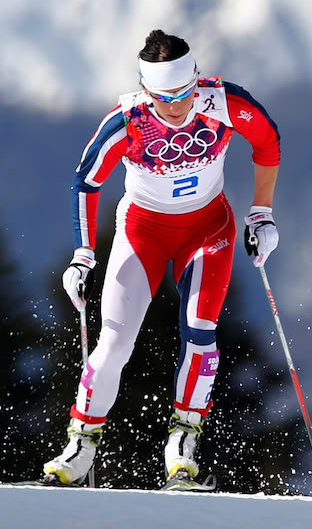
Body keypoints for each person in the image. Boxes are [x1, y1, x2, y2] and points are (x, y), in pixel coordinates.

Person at [41, 30, 281, 488]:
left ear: (197, 80)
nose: (176, 106)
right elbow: (86, 182)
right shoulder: (127, 120)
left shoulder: (226, 103)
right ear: (145, 90)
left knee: (201, 335)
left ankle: (183, 443)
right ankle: (80, 444)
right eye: (164, 97)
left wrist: (262, 214)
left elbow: (267, 144)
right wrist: (83, 255)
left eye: (186, 93)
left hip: (208, 230)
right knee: (114, 343)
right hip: (142, 233)